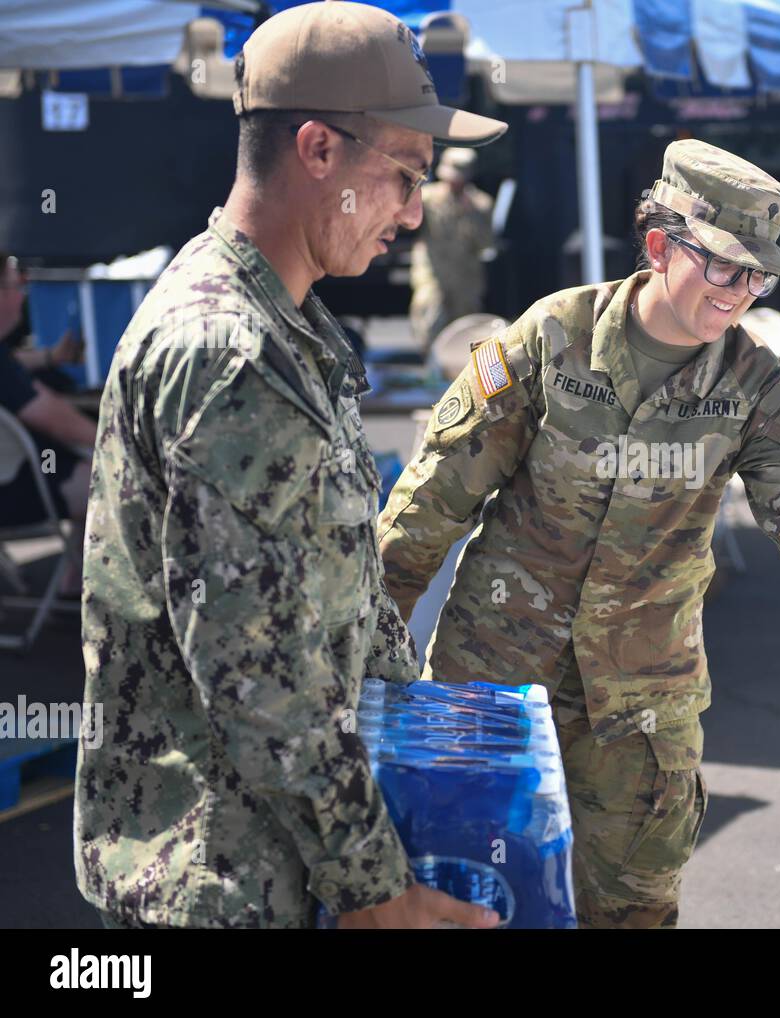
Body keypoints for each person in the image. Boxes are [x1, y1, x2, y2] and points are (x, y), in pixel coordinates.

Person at [378, 138, 780, 928]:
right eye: (724, 266)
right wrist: (367, 657)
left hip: (642, 709)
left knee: (633, 912)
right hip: (496, 687)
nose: (741, 291)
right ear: (659, 246)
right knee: (477, 902)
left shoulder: (752, 384)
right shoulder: (553, 339)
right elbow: (430, 504)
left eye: (756, 275)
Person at [75, 0, 508, 929]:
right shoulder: (230, 349)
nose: (414, 211)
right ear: (318, 150)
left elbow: (334, 591)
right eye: (402, 174)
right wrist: (375, 889)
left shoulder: (285, 323)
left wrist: (419, 733)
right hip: (227, 882)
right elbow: (257, 670)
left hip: (272, 860)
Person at [0, 254, 93, 597]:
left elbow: (13, 365)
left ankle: (73, 578)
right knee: (112, 478)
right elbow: (52, 418)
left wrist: (52, 357)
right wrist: (119, 446)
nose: (23, 294)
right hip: (10, 496)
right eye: (16, 284)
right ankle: (86, 585)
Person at [408, 146, 495, 354]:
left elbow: (486, 244)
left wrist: (470, 216)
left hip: (465, 277)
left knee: (466, 329)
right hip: (433, 272)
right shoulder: (427, 199)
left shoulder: (480, 204)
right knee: (430, 320)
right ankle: (430, 367)